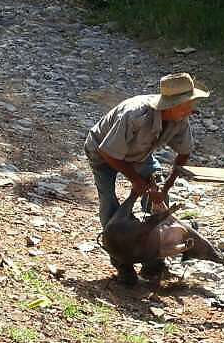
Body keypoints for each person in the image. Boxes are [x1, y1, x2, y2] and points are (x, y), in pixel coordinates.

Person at [84, 72, 209, 285]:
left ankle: (152, 260)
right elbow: (108, 152)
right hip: (102, 153)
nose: (193, 109)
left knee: (159, 204)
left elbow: (184, 153)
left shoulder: (180, 119)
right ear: (173, 105)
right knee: (110, 206)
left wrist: (164, 189)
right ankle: (121, 261)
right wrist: (136, 181)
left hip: (138, 155)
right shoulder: (135, 115)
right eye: (189, 103)